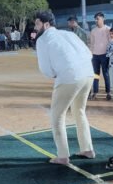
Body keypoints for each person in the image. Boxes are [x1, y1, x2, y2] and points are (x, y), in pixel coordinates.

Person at [34, 11, 95, 165]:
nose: (35, 27)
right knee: (79, 111)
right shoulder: (69, 34)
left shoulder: (42, 41)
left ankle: (63, 156)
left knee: (57, 115)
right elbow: (89, 53)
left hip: (70, 77)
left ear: (46, 24)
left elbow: (46, 70)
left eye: (37, 23)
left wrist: (58, 72)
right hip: (88, 74)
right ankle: (87, 149)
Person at [88, 12, 111, 100]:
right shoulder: (93, 31)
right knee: (96, 75)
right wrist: (91, 54)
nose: (96, 21)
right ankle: (95, 92)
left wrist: (109, 55)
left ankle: (108, 92)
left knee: (106, 74)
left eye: (98, 19)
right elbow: (92, 44)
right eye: (95, 19)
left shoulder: (108, 29)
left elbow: (110, 42)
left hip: (105, 55)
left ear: (103, 19)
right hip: (95, 56)